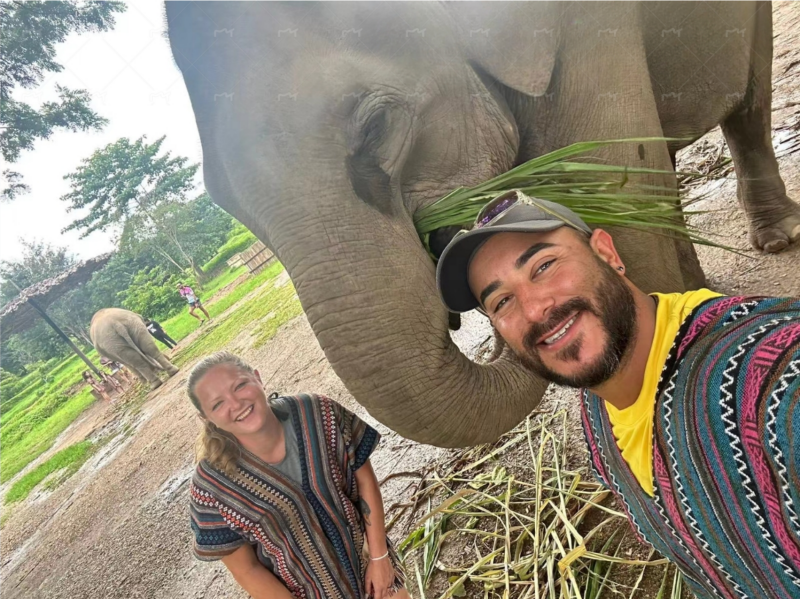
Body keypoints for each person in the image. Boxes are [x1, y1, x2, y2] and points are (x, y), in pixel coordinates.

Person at [436, 189, 800, 599]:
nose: (534, 309)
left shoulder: (775, 380)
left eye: (544, 266)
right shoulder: (598, 410)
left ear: (607, 253)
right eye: (502, 301)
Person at [186, 352, 409, 599]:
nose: (236, 404)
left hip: (371, 569)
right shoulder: (211, 487)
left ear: (258, 378)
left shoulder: (319, 412)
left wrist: (380, 558)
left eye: (239, 386)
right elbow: (247, 570)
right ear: (205, 417)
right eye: (217, 404)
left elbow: (365, 481)